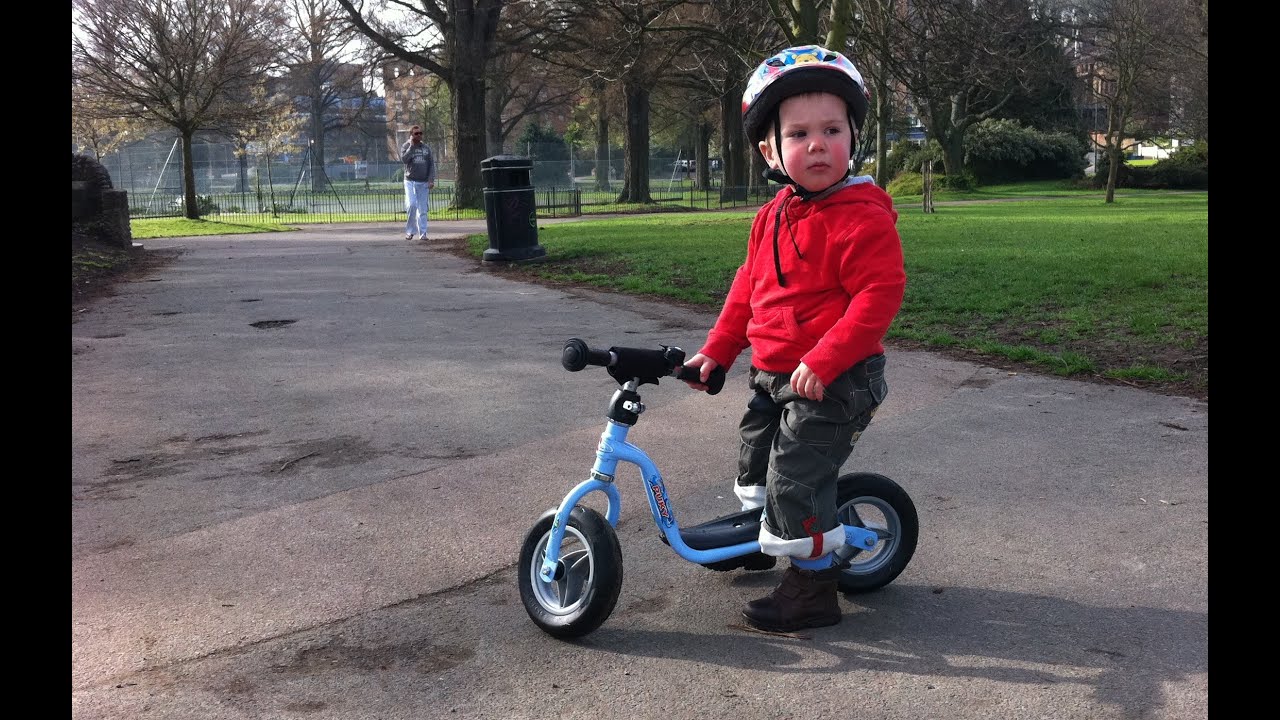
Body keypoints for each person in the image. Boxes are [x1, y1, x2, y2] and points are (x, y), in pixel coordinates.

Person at [681, 45, 906, 633]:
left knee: (795, 478)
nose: (817, 144)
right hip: (775, 375)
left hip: (838, 380)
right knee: (755, 461)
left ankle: (812, 591)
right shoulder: (772, 216)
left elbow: (877, 298)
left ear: (853, 138)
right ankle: (769, 538)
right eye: (799, 133)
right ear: (770, 151)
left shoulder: (863, 217)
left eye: (832, 130)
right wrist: (718, 350)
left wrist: (826, 359)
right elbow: (748, 288)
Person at [400, 125, 436, 241]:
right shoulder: (406, 146)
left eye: (421, 133)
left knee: (422, 209)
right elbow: (404, 160)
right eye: (416, 133)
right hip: (410, 181)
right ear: (411, 135)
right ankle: (410, 231)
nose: (419, 135)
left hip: (423, 182)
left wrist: (431, 180)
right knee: (411, 205)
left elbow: (431, 165)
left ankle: (423, 233)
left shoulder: (426, 148)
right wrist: (411, 146)